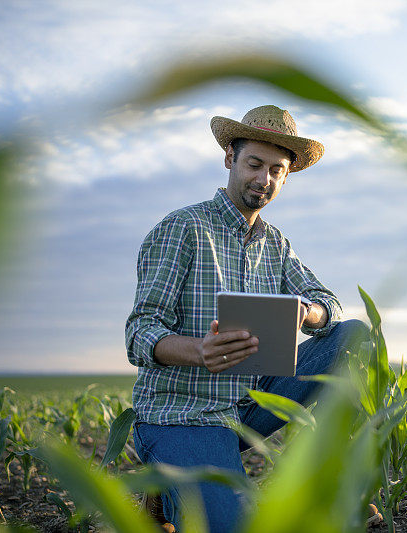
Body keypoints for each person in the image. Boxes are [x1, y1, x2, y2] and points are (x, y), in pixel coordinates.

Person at [125, 105, 369, 533]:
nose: (264, 179)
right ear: (229, 160)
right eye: (254, 164)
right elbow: (140, 332)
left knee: (353, 336)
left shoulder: (275, 244)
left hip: (247, 405)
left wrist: (306, 312)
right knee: (231, 526)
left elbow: (328, 304)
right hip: (183, 413)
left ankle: (326, 478)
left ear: (286, 176)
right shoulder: (183, 228)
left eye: (277, 170)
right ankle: (169, 479)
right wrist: (199, 351)